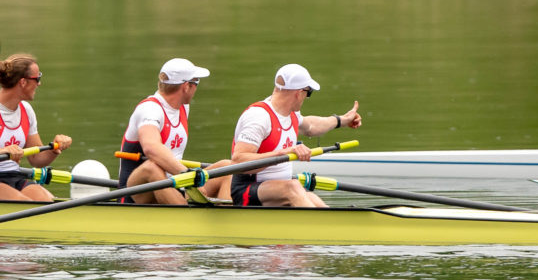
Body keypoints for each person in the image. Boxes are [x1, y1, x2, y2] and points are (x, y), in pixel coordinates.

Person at [230, 63, 362, 207]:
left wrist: (343, 120)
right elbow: (238, 162)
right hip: (247, 191)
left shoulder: (290, 114)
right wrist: (284, 152)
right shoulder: (259, 117)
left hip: (279, 189)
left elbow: (311, 126)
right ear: (299, 93)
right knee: (293, 187)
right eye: (308, 92)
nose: (306, 97)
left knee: (311, 198)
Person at [0, 53, 72, 201]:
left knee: (46, 201)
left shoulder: (26, 110)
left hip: (14, 177)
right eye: (37, 78)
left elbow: (36, 159)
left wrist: (54, 149)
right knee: (22, 203)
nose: (39, 83)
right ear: (23, 82)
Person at [117, 58, 232, 205]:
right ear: (186, 87)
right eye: (196, 82)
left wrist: (188, 178)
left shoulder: (182, 107)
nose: (196, 88)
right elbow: (151, 148)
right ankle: (185, 215)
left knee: (227, 167)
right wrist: (188, 175)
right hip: (137, 192)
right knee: (152, 167)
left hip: (174, 184)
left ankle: (227, 215)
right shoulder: (150, 109)